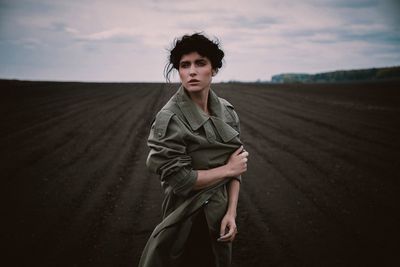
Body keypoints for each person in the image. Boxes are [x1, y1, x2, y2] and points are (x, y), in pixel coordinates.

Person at [138, 33, 249, 267]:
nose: (192, 71)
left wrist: (231, 213)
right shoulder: (169, 119)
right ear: (178, 71)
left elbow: (236, 167)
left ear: (214, 69)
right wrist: (227, 169)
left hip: (220, 216)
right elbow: (181, 180)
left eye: (200, 63)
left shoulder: (228, 112)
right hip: (187, 219)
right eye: (184, 65)